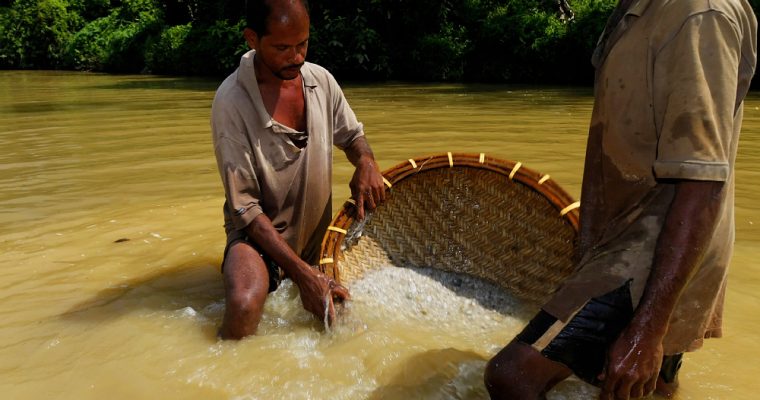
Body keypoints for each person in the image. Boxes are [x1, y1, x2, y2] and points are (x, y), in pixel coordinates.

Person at [485, 0, 757, 399]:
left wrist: (648, 328)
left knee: (512, 376)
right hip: (635, 238)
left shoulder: (699, 14)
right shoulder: (641, 8)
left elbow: (702, 182)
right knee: (647, 389)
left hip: (650, 249)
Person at [210, 0, 386, 340]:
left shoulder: (321, 80)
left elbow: (353, 137)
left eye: (303, 44)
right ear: (252, 39)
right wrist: (304, 275)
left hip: (318, 238)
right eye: (282, 47)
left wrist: (366, 161)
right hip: (259, 239)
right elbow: (244, 208)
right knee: (244, 305)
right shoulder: (231, 102)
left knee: (349, 319)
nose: (297, 57)